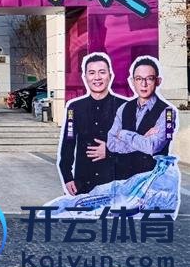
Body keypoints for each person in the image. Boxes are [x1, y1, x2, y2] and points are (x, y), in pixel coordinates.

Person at [58, 53, 126, 196]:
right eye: (92, 73)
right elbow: (68, 143)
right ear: (85, 77)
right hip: (83, 183)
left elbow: (136, 149)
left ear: (110, 76)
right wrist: (67, 177)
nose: (97, 77)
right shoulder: (74, 108)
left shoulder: (125, 107)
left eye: (102, 72)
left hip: (115, 183)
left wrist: (110, 151)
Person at [107, 56, 175, 181]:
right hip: (123, 180)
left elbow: (153, 147)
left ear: (158, 81)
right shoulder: (123, 108)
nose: (143, 84)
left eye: (149, 78)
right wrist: (143, 138)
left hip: (151, 181)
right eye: (139, 79)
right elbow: (111, 144)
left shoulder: (168, 113)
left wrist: (122, 134)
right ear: (132, 81)